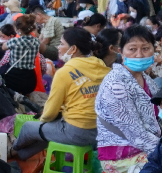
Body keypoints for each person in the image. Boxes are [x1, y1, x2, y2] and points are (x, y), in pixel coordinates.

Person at [12, 28, 109, 160]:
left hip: (78, 131)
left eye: (62, 44)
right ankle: (21, 155)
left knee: (29, 127)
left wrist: (42, 121)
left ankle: (12, 151)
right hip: (100, 131)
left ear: (73, 49)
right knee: (48, 131)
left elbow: (50, 112)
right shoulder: (102, 66)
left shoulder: (64, 72)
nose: (58, 47)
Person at [95, 26, 161, 173]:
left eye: (145, 48)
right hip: (121, 154)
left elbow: (159, 116)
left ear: (153, 50)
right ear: (121, 51)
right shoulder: (116, 84)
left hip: (146, 144)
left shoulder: (146, 79)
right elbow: (135, 134)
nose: (139, 55)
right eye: (132, 49)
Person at [0, 14, 39, 96]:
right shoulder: (36, 42)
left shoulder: (15, 41)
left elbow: (3, 47)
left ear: (18, 30)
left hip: (14, 79)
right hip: (31, 80)